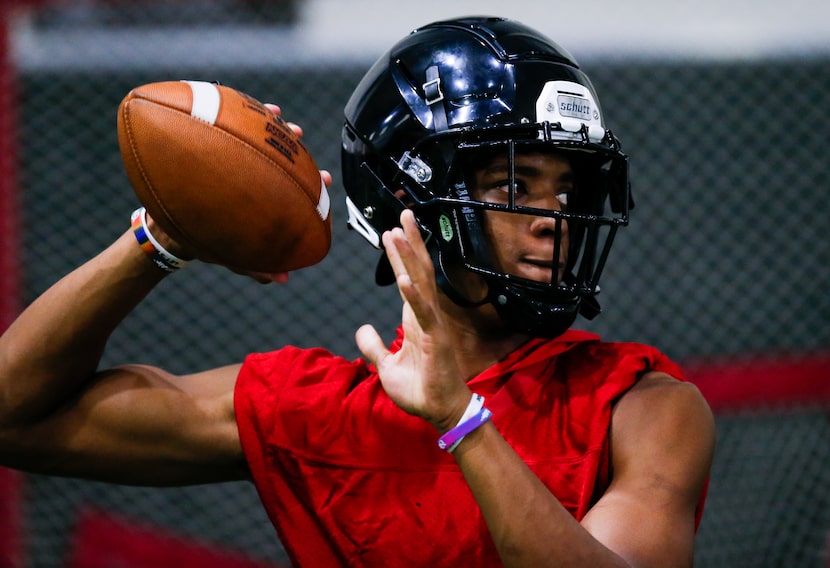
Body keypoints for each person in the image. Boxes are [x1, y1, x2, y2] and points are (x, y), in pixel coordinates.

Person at [0, 15, 714, 568]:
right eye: (514, 186)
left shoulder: (646, 406)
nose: (555, 220)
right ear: (409, 203)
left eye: (568, 188)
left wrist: (461, 420)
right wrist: (162, 238)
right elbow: (13, 417)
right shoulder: (312, 411)